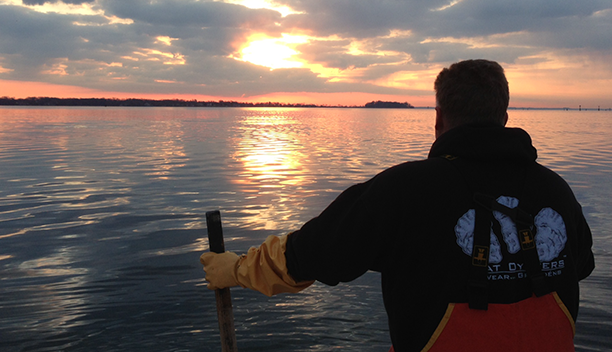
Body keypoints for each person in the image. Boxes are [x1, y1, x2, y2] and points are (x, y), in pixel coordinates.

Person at [200, 59, 595, 351]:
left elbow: (307, 256)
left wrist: (234, 269)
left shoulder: (405, 191)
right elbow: (582, 265)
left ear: (438, 117)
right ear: (504, 115)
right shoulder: (557, 191)